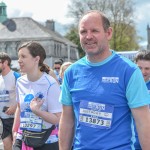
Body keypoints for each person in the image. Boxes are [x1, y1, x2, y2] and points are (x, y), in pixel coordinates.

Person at [59, 10, 150, 150]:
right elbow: (67, 121)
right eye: (83, 32)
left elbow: (143, 123)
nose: (88, 36)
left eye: (94, 31)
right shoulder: (71, 72)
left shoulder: (129, 71)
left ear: (108, 33)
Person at [12, 41, 62, 150]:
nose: (19, 60)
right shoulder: (20, 82)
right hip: (23, 139)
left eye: (23, 56)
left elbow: (58, 119)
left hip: (46, 141)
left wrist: (38, 111)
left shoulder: (50, 84)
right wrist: (15, 132)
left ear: (36, 59)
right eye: (18, 57)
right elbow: (20, 108)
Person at [0, 52, 20, 150]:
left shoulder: (16, 77)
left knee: (16, 146)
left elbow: (25, 97)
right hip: (3, 119)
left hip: (15, 119)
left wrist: (15, 107)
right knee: (6, 145)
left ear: (5, 62)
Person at [133, 50, 150, 150]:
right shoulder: (126, 85)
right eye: (139, 68)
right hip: (130, 143)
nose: (143, 72)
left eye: (147, 68)